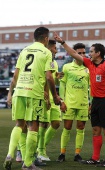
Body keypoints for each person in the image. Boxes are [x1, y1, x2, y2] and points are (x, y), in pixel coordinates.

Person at [54, 33, 105, 168]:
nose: (88, 54)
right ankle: (95, 158)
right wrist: (62, 43)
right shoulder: (89, 64)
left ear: (98, 53)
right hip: (95, 101)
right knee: (96, 129)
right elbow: (73, 53)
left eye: (91, 52)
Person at [3, 27, 61, 170]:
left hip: (19, 91)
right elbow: (49, 77)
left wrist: (10, 93)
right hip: (34, 92)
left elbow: (15, 75)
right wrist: (55, 96)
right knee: (33, 126)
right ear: (46, 39)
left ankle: (10, 154)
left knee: (19, 124)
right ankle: (28, 164)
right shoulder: (46, 52)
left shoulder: (24, 51)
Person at [57, 43, 90, 162]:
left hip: (83, 103)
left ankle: (77, 154)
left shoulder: (88, 68)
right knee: (67, 128)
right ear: (73, 53)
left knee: (81, 128)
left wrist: (90, 102)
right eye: (79, 53)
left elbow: (91, 87)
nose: (82, 55)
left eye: (83, 53)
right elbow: (62, 85)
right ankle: (62, 153)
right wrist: (62, 101)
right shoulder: (66, 67)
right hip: (69, 103)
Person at [37, 40, 66, 161]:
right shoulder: (42, 59)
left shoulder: (54, 62)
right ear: (48, 48)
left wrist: (57, 76)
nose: (56, 50)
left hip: (53, 96)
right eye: (54, 48)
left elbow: (51, 79)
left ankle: (40, 148)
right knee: (43, 123)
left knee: (56, 123)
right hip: (45, 96)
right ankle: (40, 151)